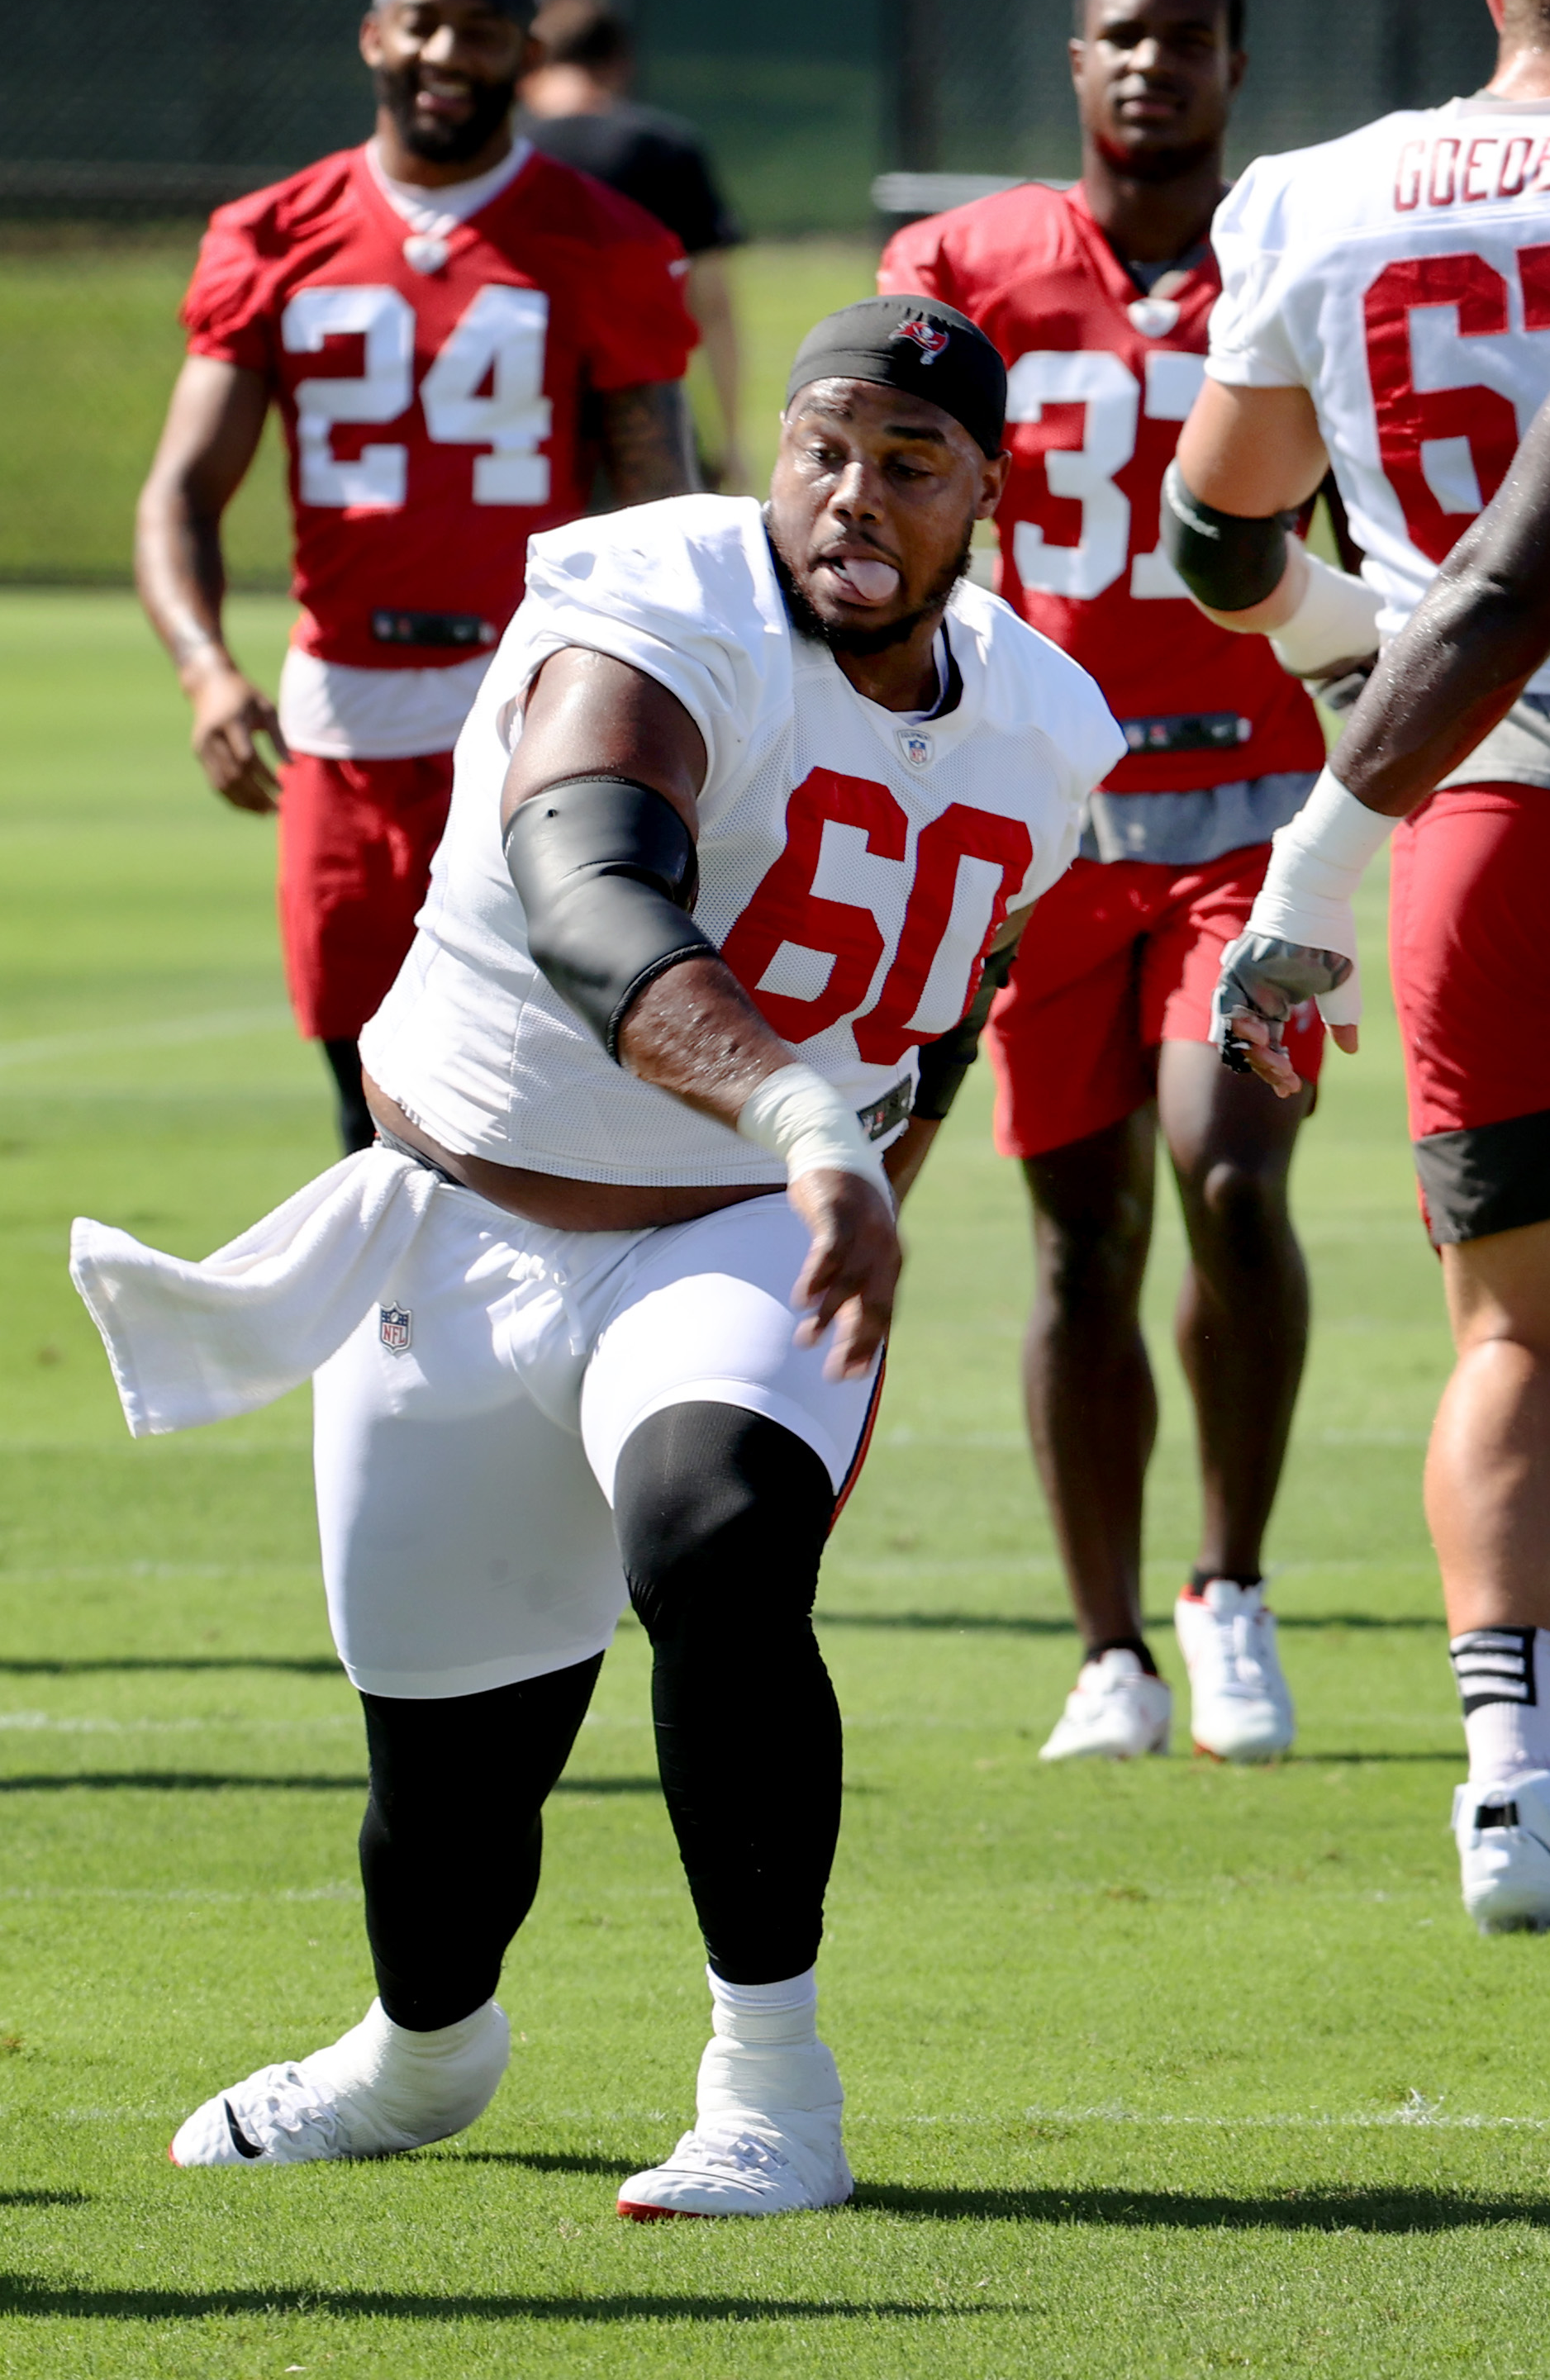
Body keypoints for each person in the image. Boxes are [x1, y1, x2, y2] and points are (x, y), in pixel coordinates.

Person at [73, 300, 1124, 2211]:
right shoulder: (660, 598)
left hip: (730, 1238)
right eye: (822, 445)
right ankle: (420, 2047)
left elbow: (949, 1000)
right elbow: (591, 888)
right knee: (449, 1806)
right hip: (462, 1220)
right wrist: (811, 1118)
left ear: (991, 489)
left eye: (909, 461)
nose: (850, 492)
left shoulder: (1048, 719)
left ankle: (773, 2086)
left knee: (718, 1534)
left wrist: (861, 1175)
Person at [879, 0, 1334, 1763]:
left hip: (1259, 805)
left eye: (1189, 41)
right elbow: (896, 485)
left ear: (1232, 65)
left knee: (1228, 1179)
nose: (1153, 67)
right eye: (1123, 39)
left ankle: (1224, 1591)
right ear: (1076, 60)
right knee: (1077, 1241)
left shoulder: (1293, 236)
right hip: (1048, 820)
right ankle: (1106, 1653)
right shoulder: (965, 263)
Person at [1163, 0, 1550, 1924]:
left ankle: (1509, 1777)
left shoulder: (1319, 191)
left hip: (1472, 804)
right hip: (1455, 759)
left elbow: (1216, 531)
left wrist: (1356, 668)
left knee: (1509, 1325)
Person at [136, 0, 697, 1158]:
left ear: (521, 52)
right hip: (341, 713)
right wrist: (204, 668)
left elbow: (663, 507)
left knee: (538, 1098)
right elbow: (180, 490)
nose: (447, 51)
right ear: (374, 36)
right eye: (423, 21)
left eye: (480, 29)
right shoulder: (273, 233)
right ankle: (396, 1349)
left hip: (526, 710)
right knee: (368, 1108)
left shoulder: (598, 237)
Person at [521, 0, 749, 492]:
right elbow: (711, 304)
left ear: (530, 62)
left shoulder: (503, 156)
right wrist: (730, 441)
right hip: (645, 425)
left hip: (518, 425)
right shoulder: (664, 148)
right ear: (618, 63)